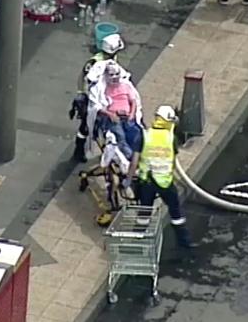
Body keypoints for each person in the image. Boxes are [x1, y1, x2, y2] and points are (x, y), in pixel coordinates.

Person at [126, 105, 192, 248]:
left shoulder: (144, 135)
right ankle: (184, 243)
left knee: (144, 214)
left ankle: (136, 243)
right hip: (166, 183)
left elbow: (134, 162)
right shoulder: (171, 138)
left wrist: (127, 182)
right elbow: (172, 161)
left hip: (147, 182)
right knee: (176, 213)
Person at [72, 34, 126, 162]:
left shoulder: (104, 60)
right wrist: (85, 96)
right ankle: (79, 151)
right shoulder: (96, 63)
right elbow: (85, 81)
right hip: (91, 99)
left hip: (102, 98)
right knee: (87, 126)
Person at [97, 63, 141, 159]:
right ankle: (131, 158)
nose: (115, 77)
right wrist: (111, 114)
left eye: (117, 74)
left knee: (136, 134)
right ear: (106, 76)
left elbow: (133, 101)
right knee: (120, 136)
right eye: (111, 75)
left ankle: (137, 154)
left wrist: (132, 114)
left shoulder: (126, 86)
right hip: (114, 118)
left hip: (128, 116)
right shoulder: (104, 89)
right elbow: (99, 107)